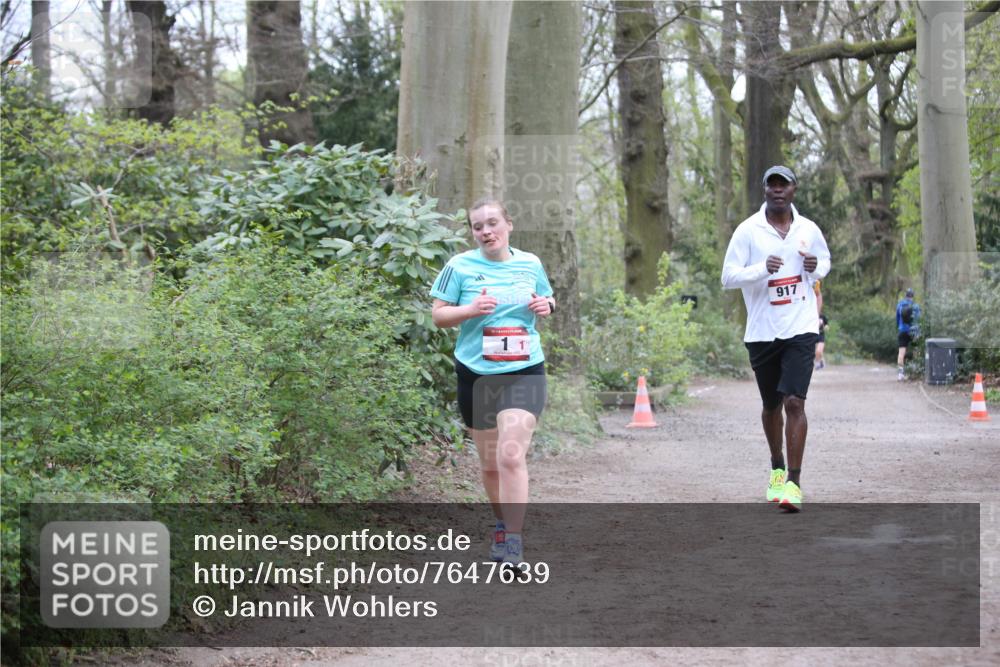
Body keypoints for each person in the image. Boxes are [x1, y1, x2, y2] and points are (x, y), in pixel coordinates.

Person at [430, 198, 554, 566]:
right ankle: (502, 524)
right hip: (476, 375)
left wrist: (548, 306)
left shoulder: (530, 263)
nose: (486, 231)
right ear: (472, 232)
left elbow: (545, 296)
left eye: (492, 223)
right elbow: (438, 316)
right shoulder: (459, 267)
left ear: (509, 225)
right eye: (477, 226)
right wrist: (469, 310)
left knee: (510, 455)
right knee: (488, 464)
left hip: (524, 370)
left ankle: (513, 542)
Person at [721, 165, 831, 512]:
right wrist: (759, 270)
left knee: (795, 402)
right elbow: (728, 277)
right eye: (772, 185)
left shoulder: (808, 229)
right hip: (763, 331)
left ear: (794, 190)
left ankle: (794, 485)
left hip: (801, 326)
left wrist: (815, 265)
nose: (778, 190)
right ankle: (776, 466)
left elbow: (824, 262)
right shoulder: (747, 232)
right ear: (764, 190)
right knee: (771, 406)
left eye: (784, 185)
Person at [895, 288, 921, 381]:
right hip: (914, 331)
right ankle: (916, 370)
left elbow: (897, 320)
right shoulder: (916, 306)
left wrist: (900, 328)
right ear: (912, 296)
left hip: (903, 330)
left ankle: (900, 374)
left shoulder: (900, 305)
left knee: (901, 353)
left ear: (905, 295)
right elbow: (919, 320)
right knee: (916, 351)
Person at [813, 280, 828, 369]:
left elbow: (827, 325)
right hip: (813, 336)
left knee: (819, 351)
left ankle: (819, 363)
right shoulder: (808, 316)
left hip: (821, 336)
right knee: (816, 352)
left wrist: (826, 327)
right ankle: (820, 361)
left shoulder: (822, 317)